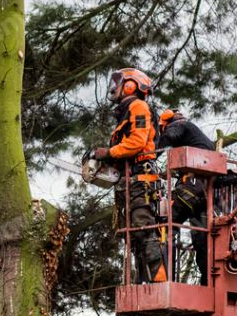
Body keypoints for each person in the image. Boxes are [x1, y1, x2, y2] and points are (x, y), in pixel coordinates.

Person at [90, 68, 166, 283]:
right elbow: (126, 147)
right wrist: (106, 160)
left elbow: (137, 142)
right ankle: (144, 282)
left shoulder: (138, 106)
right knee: (131, 234)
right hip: (128, 181)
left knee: (143, 228)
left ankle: (159, 280)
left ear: (131, 85)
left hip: (141, 179)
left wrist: (109, 152)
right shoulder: (125, 112)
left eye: (119, 83)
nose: (115, 88)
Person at [156, 110, 214, 285]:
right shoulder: (198, 140)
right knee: (203, 238)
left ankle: (163, 279)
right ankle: (209, 284)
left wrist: (147, 156)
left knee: (165, 223)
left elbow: (167, 138)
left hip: (191, 188)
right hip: (206, 193)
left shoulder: (179, 126)